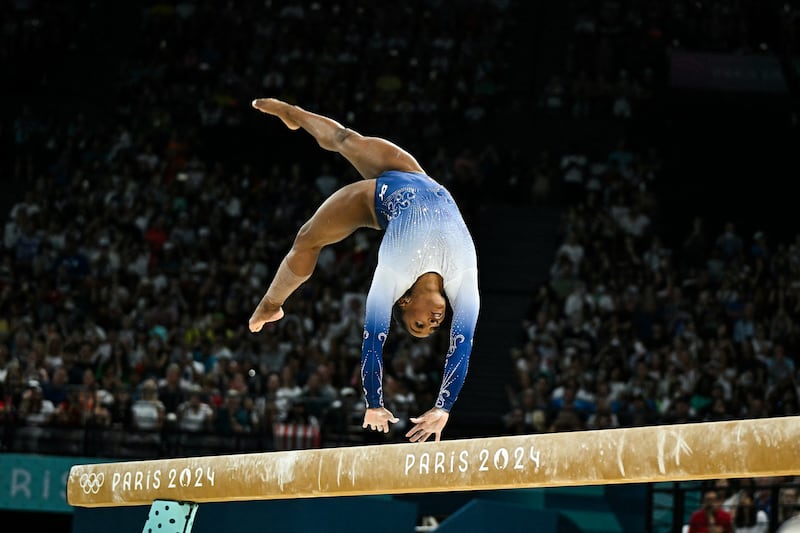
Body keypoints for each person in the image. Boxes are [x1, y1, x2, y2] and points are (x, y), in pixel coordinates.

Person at [248, 98, 480, 443]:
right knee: (345, 138)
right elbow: (462, 345)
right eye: (433, 327)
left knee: (308, 239)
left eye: (419, 325)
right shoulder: (462, 279)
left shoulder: (394, 274)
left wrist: (375, 402)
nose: (433, 323)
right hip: (417, 177)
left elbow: (373, 340)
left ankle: (270, 303)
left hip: (373, 200)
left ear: (403, 303)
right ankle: (295, 114)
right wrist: (442, 408)